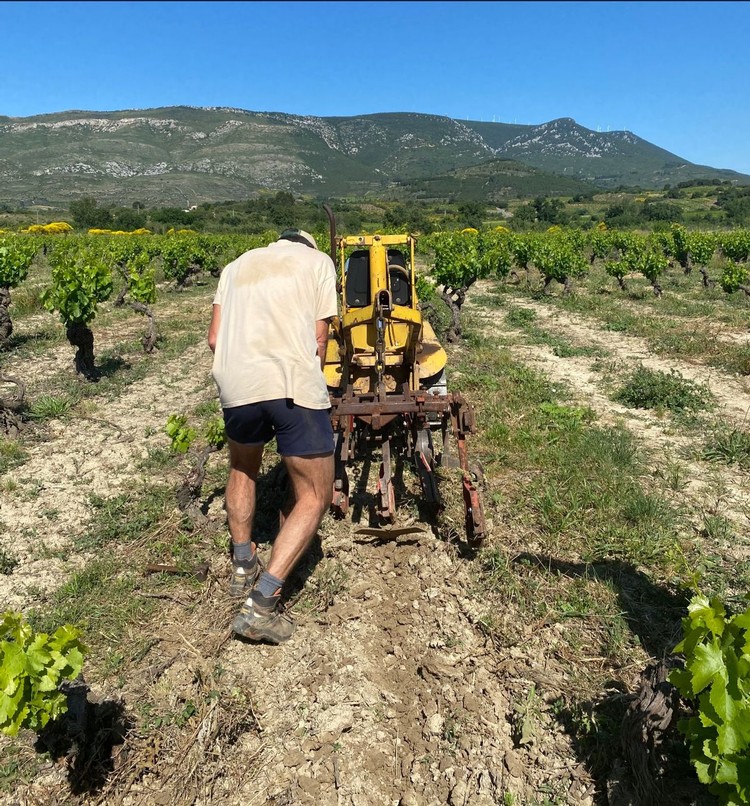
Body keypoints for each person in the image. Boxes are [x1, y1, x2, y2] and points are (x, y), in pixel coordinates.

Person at [207, 228, 337, 644]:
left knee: (243, 467)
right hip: (290, 384)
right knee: (316, 495)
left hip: (235, 383)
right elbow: (319, 340)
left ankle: (243, 564)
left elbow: (214, 338)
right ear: (308, 246)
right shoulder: (318, 263)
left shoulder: (235, 266)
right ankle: (262, 605)